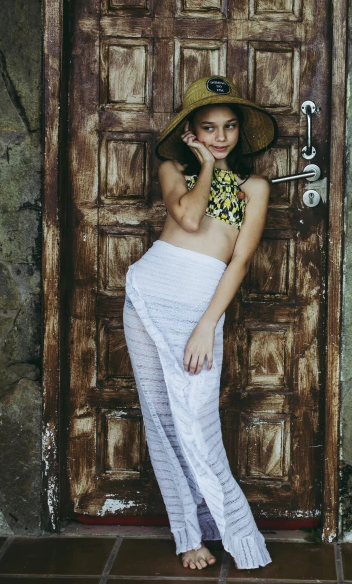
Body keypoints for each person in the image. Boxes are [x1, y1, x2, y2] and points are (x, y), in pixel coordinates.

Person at [123, 75, 278, 571]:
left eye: (229, 128)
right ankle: (188, 536)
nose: (220, 137)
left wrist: (208, 323)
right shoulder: (174, 169)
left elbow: (239, 262)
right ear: (191, 130)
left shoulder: (255, 187)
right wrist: (208, 166)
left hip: (198, 314)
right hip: (149, 297)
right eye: (209, 128)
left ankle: (230, 529)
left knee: (198, 424)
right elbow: (188, 219)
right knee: (164, 423)